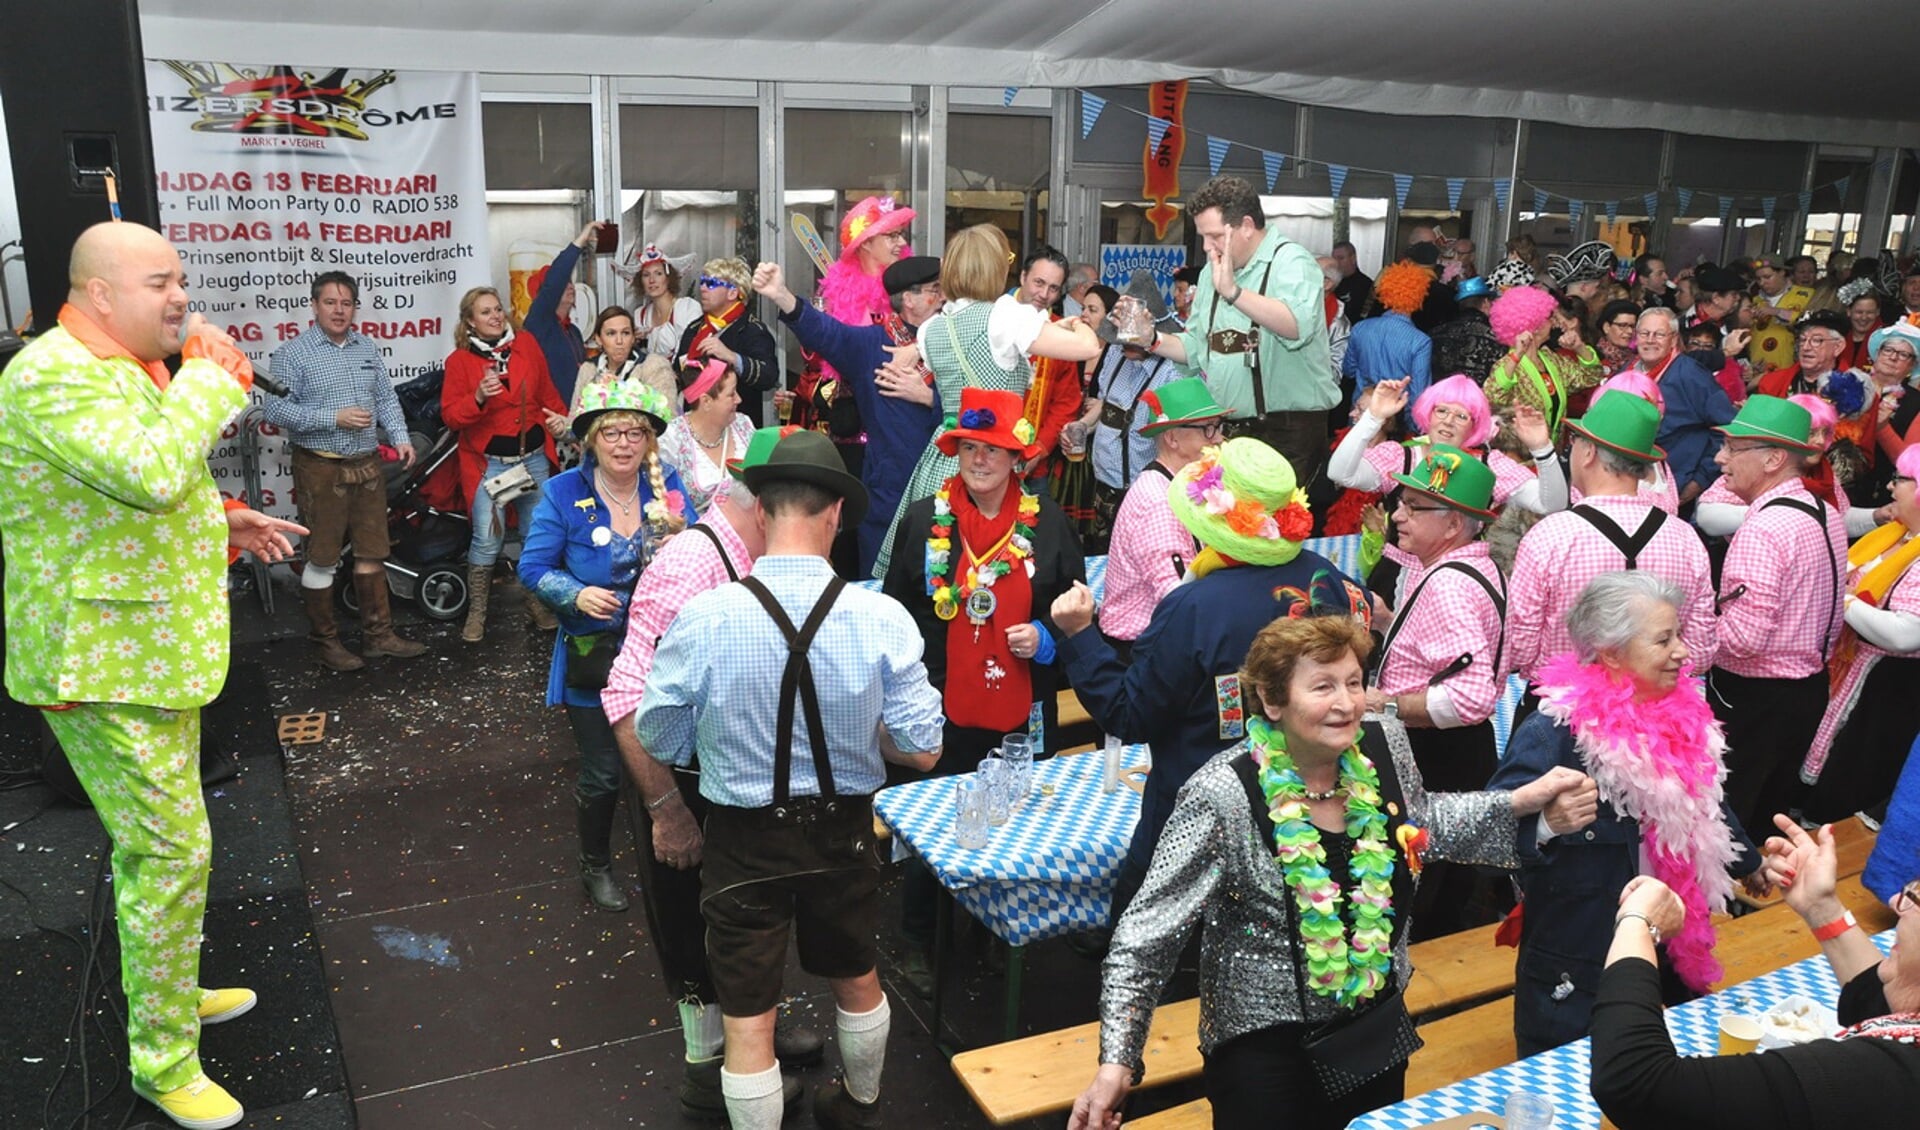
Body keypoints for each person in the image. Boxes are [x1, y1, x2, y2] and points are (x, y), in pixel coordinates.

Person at [0, 221, 308, 1130]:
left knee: (168, 850)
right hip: (98, 665)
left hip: (149, 658)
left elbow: (131, 499)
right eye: (160, 282)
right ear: (99, 294)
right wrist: (213, 379)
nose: (182, 298)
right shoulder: (49, 372)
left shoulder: (126, 371)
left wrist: (222, 520)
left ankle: (167, 990)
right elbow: (144, 470)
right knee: (171, 852)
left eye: (182, 279)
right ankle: (161, 1060)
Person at [1066, 614, 1593, 1130]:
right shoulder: (1220, 795)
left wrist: (1525, 807)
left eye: (1353, 682)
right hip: (1265, 1052)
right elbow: (1145, 937)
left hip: (1373, 1029)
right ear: (1272, 702)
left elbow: (1423, 824)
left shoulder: (1383, 744)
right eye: (1322, 687)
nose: (1346, 703)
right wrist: (1118, 1061)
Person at [635, 430, 946, 1130]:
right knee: (857, 977)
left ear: (761, 509)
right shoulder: (880, 618)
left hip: (743, 841)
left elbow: (659, 734)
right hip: (842, 835)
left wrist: (717, 740)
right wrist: (860, 729)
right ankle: (859, 1105)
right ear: (835, 513)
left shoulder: (707, 616)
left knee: (748, 1022)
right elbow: (925, 744)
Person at [1052, 437, 1374, 924]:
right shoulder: (1328, 579)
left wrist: (1080, 636)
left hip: (1195, 811)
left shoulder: (1195, 606)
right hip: (1300, 806)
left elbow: (1129, 714)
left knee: (1148, 933)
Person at [601, 426, 823, 1117]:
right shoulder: (689, 568)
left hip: (724, 777)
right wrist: (667, 809)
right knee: (692, 931)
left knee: (741, 920)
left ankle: (755, 1031)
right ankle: (706, 1084)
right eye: (804, 512)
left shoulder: (744, 554)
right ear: (763, 508)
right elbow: (624, 696)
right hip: (680, 784)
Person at [1494, 572, 1762, 1055]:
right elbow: (1490, 833)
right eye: (1664, 639)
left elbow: (1707, 807)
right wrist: (1547, 823)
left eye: (1679, 634)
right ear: (1612, 652)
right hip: (1578, 965)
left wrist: (1754, 865)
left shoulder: (1687, 720)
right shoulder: (1555, 732)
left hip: (1668, 948)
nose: (1683, 651)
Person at [881, 387, 1086, 989]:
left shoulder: (1047, 525)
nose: (979, 459)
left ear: (1016, 458)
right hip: (941, 701)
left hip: (1024, 705)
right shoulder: (924, 520)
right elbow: (898, 613)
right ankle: (920, 939)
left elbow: (1074, 610)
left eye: (992, 449)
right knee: (936, 818)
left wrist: (1046, 639)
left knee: (1016, 821)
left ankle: (999, 934)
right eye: (969, 447)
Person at [1589, 836, 1920, 1129]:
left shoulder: (1887, 1077)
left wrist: (1638, 923)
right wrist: (1822, 909)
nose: (1899, 907)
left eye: (1916, 899)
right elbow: (1876, 1005)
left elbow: (1636, 1081)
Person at [520, 379, 694, 912]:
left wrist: (685, 537)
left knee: (671, 755)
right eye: (611, 432)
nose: (623, 443)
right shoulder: (563, 492)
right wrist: (576, 593)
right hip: (593, 656)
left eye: (634, 433)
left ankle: (672, 849)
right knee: (604, 770)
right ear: (592, 439)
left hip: (660, 654)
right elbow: (531, 568)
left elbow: (699, 560)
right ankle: (594, 865)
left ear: (649, 440)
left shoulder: (669, 487)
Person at [871, 224, 1099, 577]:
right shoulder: (1005, 316)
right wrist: (1079, 323)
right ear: (995, 269)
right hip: (993, 462)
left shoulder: (932, 328)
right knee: (992, 567)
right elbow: (1088, 348)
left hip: (943, 458)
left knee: (938, 565)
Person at [1365, 446, 1514, 939]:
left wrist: (1385, 703)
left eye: (1413, 506)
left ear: (1453, 526)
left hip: (1436, 755)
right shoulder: (1463, 566)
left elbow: (1471, 698)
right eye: (1400, 502)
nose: (1397, 514)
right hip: (1452, 754)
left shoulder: (1450, 584)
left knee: (1424, 894)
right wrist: (1391, 624)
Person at [1505, 393, 1718, 716]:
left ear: (1588, 452)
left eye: (1575, 441)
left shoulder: (1550, 536)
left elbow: (1519, 647)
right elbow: (1699, 653)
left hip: (1562, 712)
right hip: (1657, 717)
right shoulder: (1685, 537)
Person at [264, 270, 425, 671]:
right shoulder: (293, 353)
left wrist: (401, 435)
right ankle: (327, 642)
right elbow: (275, 410)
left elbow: (386, 398)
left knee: (372, 552)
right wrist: (332, 417)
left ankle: (378, 637)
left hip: (367, 465)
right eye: (331, 302)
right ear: (315, 305)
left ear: (355, 307)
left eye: (347, 303)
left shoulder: (366, 347)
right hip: (321, 468)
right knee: (322, 558)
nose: (339, 310)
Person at [1708, 395, 1849, 838]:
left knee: (1726, 830)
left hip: (1753, 698)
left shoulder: (1765, 527)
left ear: (1772, 458)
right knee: (1767, 822)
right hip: (1807, 691)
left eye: (1733, 448)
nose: (1720, 458)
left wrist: (1686, 630)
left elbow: (1742, 639)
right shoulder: (1825, 512)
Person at [756, 255, 943, 575]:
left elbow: (974, 406)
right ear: (909, 299)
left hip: (945, 498)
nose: (944, 298)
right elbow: (826, 332)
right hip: (889, 502)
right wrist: (782, 295)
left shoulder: (951, 342)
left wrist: (928, 397)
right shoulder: (873, 346)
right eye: (935, 290)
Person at [1147, 175, 1336, 486]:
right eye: (1203, 238)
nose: (1207, 248)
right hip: (1228, 429)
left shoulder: (1291, 261)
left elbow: (1296, 325)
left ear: (1246, 226)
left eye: (1215, 236)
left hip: (1285, 432)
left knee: (1269, 531)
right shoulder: (1212, 271)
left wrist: (1234, 292)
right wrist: (1151, 338)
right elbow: (1196, 348)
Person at [441, 285, 570, 643]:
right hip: (491, 468)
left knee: (536, 538)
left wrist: (562, 419)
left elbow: (547, 393)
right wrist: (479, 396)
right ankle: (477, 612)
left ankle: (537, 604)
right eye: (485, 312)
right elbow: (452, 418)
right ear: (469, 321)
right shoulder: (459, 362)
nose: (495, 316)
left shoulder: (526, 345)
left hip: (532, 461)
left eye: (498, 309)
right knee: (486, 542)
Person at [1799, 446, 1920, 823]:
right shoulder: (1893, 537)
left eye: (1900, 480)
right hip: (1851, 668)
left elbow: (1907, 633)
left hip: (1887, 691)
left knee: (1853, 772)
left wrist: (1845, 602)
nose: (1889, 487)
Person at [1096, 378, 1228, 660]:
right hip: (1140, 648)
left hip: (1159, 635)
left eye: (1219, 427)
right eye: (1208, 429)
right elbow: (1178, 600)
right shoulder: (1160, 503)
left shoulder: (1179, 484)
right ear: (1172, 438)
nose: (1218, 437)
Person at [1329, 374, 1564, 521]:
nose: (1448, 420)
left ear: (1474, 426)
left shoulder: (1489, 466)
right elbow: (1339, 473)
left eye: (1461, 416)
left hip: (1460, 578)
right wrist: (1374, 417)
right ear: (1427, 415)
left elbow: (1551, 504)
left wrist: (1541, 448)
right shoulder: (1400, 457)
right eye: (1441, 410)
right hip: (1397, 575)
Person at [789, 195, 914, 472]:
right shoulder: (834, 294)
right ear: (866, 243)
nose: (902, 243)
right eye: (892, 236)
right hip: (852, 428)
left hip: (900, 416)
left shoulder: (911, 287)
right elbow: (816, 361)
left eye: (901, 235)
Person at [1621, 306, 1738, 507]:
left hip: (1677, 483)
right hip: (1631, 484)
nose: (1650, 340)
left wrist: (1699, 481)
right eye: (1644, 333)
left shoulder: (1691, 374)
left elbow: (1726, 428)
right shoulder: (1627, 371)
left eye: (1659, 335)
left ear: (1673, 339)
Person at [1486, 285, 1603, 447]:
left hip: (1552, 455)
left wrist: (1579, 347)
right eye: (1550, 318)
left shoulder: (1552, 359)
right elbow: (1493, 396)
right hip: (1520, 459)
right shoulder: (1508, 364)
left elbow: (1591, 377)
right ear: (1535, 324)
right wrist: (1516, 356)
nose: (1554, 323)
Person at [1016, 245, 1094, 487]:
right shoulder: (993, 319)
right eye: (1038, 283)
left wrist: (1039, 449)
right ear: (1022, 277)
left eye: (1053, 288)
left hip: (1035, 465)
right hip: (988, 457)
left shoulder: (1060, 332)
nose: (1044, 294)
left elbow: (1065, 403)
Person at [674, 257, 779, 426]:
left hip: (737, 424)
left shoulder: (752, 329)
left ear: (733, 292)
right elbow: (677, 372)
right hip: (696, 424)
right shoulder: (695, 328)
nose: (703, 288)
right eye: (702, 281)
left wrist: (731, 356)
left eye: (711, 283)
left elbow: (769, 376)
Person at [657, 358, 758, 516]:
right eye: (731, 394)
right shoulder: (672, 438)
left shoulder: (743, 424)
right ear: (706, 401)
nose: (739, 399)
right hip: (697, 534)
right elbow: (663, 501)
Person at [1342, 261, 1434, 427]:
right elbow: (1419, 393)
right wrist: (1414, 430)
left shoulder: (1360, 328)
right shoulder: (1420, 341)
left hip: (1360, 411)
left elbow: (1348, 370)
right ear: (1419, 297)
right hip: (1394, 420)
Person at [524, 222, 604, 404]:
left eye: (570, 281)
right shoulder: (540, 322)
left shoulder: (573, 331)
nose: (569, 286)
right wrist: (578, 244)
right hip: (552, 416)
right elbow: (554, 281)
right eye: (563, 283)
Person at [627, 243, 702, 360]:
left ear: (669, 278)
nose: (652, 280)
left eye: (658, 273)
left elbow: (694, 353)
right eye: (646, 275)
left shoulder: (686, 308)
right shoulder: (640, 315)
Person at [1427, 275, 1505, 385]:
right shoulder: (1496, 337)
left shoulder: (1435, 334)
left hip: (1441, 400)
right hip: (1477, 400)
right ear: (1486, 302)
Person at [1746, 253, 1817, 373]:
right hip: (1758, 371)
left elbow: (1810, 323)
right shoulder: (1755, 301)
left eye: (1767, 277)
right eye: (1758, 279)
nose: (1762, 283)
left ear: (1782, 272)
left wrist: (1777, 311)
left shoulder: (1807, 295)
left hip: (1789, 370)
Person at [1331, 240, 1373, 323]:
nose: (1336, 262)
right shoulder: (1331, 283)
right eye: (1334, 259)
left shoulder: (1366, 286)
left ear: (1353, 259)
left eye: (1341, 258)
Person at [1595, 298, 1642, 373]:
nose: (1630, 331)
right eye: (1622, 325)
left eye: (1632, 326)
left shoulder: (1636, 360)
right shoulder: (1594, 356)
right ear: (1606, 327)